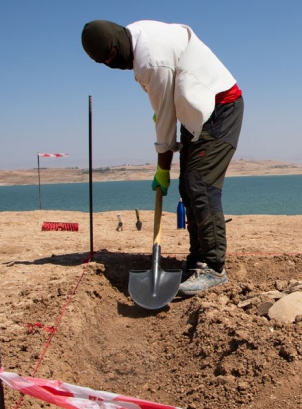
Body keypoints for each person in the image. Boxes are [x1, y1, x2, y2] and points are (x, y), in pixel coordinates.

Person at [81, 19, 243, 296]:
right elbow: (163, 105)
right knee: (188, 188)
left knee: (200, 185)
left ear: (117, 41)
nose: (112, 63)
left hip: (219, 107)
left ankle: (214, 268)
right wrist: (161, 110)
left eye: (111, 56)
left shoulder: (150, 59)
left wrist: (162, 168)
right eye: (104, 62)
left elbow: (165, 125)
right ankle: (197, 259)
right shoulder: (137, 37)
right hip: (196, 109)